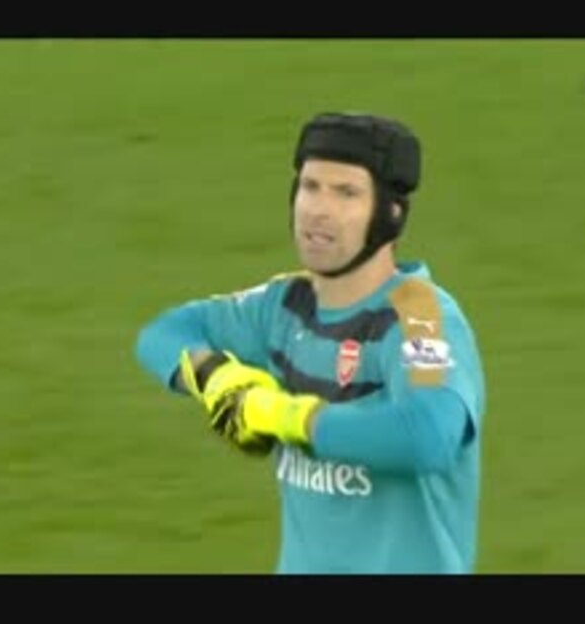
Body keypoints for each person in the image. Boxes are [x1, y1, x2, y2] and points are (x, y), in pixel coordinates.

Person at [134, 112, 486, 574]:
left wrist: (286, 417)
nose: (319, 209)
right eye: (310, 186)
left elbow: (428, 436)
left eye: (346, 193)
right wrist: (219, 381)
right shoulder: (284, 305)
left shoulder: (417, 315)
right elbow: (163, 333)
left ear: (391, 214)